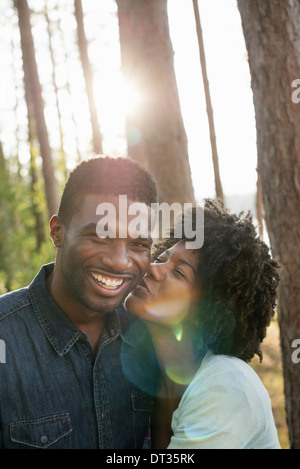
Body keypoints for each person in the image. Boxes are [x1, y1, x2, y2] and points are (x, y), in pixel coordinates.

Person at [0, 155, 160, 449]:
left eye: (138, 244)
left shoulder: (154, 338)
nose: (119, 262)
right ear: (57, 233)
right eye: (100, 236)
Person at [125, 199, 281, 449]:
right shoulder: (149, 371)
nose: (153, 269)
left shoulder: (226, 386)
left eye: (179, 273)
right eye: (162, 258)